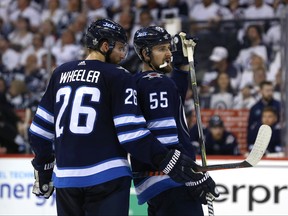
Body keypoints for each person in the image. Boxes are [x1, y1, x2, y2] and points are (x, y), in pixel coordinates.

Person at [28, 18, 209, 216]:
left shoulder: (60, 73)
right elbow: (131, 134)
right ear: (105, 46)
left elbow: (38, 132)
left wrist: (44, 169)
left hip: (66, 180)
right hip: (108, 178)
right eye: (121, 48)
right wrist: (171, 161)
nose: (123, 55)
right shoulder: (118, 75)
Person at [131, 26, 219, 215]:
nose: (168, 54)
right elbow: (167, 141)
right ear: (146, 54)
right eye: (161, 49)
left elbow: (173, 95)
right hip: (173, 181)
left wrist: (181, 65)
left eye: (169, 48)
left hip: (155, 184)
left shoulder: (138, 82)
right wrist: (191, 176)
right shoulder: (158, 82)